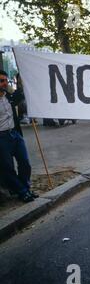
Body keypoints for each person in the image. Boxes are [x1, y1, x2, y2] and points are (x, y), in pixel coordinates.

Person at [0, 70, 38, 203]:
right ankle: (22, 192)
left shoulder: (8, 97)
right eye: (1, 81)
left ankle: (25, 188)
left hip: (15, 134)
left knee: (25, 163)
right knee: (7, 168)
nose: (4, 83)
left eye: (5, 80)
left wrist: (23, 77)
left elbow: (20, 94)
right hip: (2, 138)